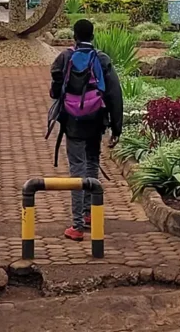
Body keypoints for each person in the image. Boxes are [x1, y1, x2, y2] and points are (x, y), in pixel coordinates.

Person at [48, 18, 123, 242]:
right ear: (93, 36)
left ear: (74, 36)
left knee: (77, 170)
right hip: (96, 120)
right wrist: (116, 128)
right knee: (92, 163)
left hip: (73, 122)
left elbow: (55, 92)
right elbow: (114, 94)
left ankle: (77, 225)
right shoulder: (102, 59)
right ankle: (90, 213)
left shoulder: (64, 58)